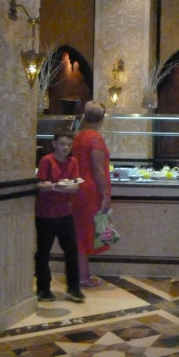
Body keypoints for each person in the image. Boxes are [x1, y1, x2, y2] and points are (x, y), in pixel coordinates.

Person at [34, 130, 85, 303]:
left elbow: (76, 186)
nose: (65, 147)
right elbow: (40, 186)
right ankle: (43, 289)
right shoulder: (47, 160)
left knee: (71, 251)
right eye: (62, 143)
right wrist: (58, 186)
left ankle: (73, 288)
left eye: (69, 144)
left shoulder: (73, 162)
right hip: (45, 214)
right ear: (54, 144)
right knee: (43, 252)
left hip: (65, 213)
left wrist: (54, 186)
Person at [72, 101, 112, 288]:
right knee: (87, 234)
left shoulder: (79, 135)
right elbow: (97, 170)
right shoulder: (96, 139)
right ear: (102, 119)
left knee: (81, 232)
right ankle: (83, 277)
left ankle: (81, 274)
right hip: (91, 191)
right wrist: (105, 195)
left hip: (79, 188)